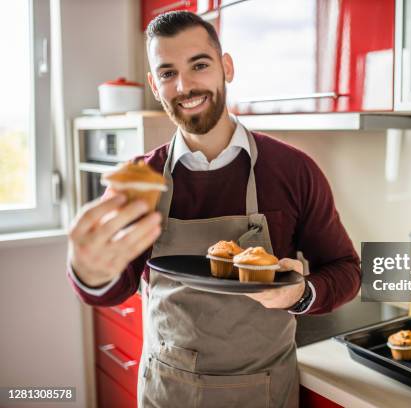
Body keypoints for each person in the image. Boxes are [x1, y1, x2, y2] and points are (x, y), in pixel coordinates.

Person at [67, 11, 360, 408]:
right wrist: (89, 270)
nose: (185, 86)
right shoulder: (142, 180)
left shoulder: (293, 170)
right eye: (168, 73)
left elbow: (346, 269)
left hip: (265, 389)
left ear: (226, 67)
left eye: (199, 65)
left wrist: (302, 293)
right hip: (168, 389)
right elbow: (111, 287)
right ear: (155, 85)